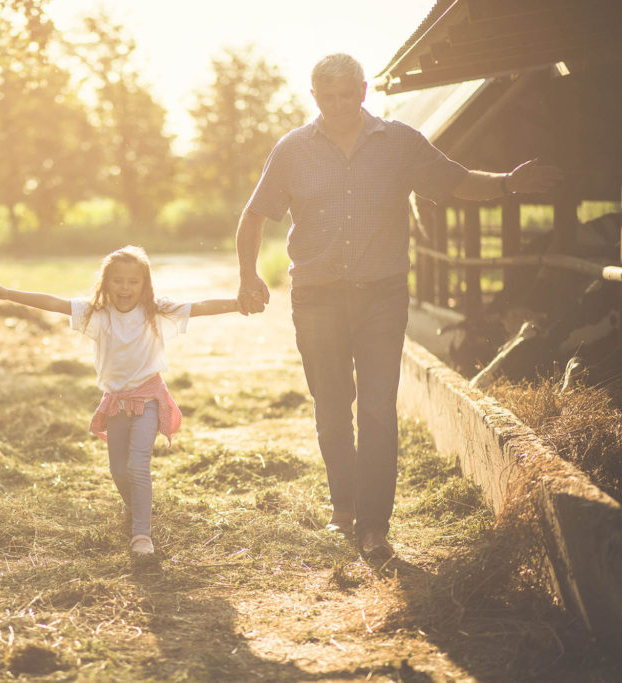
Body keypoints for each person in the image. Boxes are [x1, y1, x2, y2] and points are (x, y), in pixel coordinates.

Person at [234, 53, 563, 560]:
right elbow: (254, 216)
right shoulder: (293, 150)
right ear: (315, 97)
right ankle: (342, 510)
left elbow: (454, 180)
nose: (340, 105)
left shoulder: (399, 143)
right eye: (329, 96)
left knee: (378, 409)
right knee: (331, 409)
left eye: (349, 93)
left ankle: (373, 527)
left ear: (364, 90)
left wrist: (505, 183)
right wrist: (248, 275)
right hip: (317, 297)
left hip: (381, 297)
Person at [0, 245, 240, 556]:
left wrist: (239, 303)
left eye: (133, 282)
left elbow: (199, 306)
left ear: (145, 285)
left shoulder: (156, 311)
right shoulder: (97, 314)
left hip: (148, 400)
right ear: (105, 283)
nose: (125, 288)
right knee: (118, 469)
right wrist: (9, 293)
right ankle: (136, 508)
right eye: (117, 281)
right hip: (115, 402)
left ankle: (142, 534)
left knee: (138, 465)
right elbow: (54, 303)